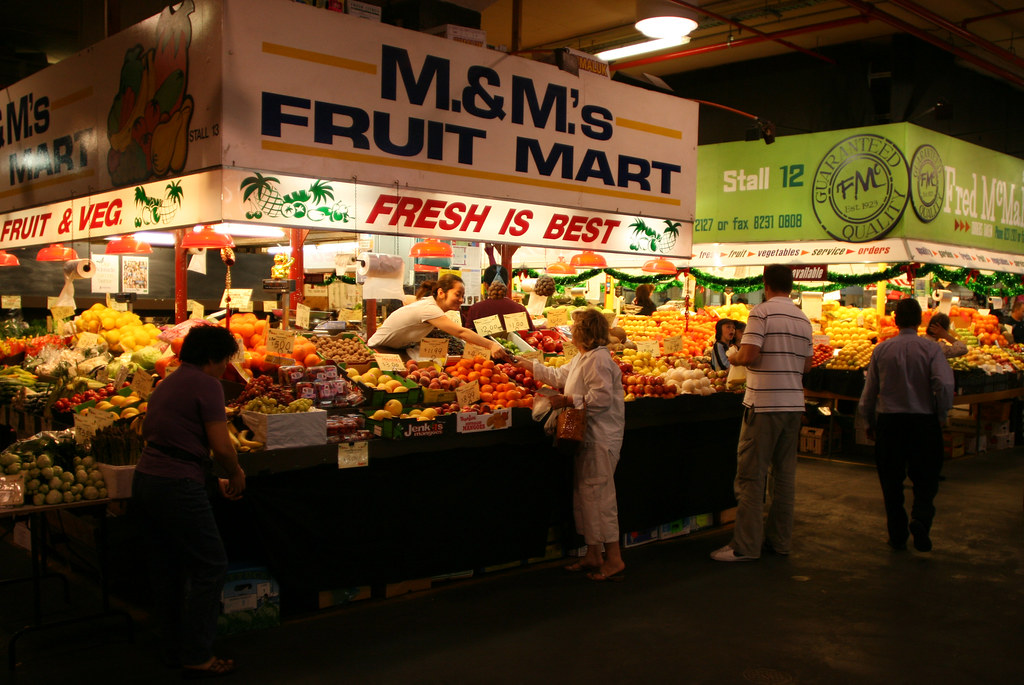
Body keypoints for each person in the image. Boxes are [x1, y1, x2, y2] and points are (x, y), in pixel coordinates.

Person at [131, 324, 246, 678]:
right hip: (178, 484)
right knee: (210, 565)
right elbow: (221, 443)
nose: (225, 368)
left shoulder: (169, 381)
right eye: (225, 360)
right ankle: (197, 652)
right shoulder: (207, 384)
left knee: (167, 567)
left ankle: (171, 645)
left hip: (147, 479)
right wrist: (236, 472)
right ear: (213, 358)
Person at [711, 265, 813, 562]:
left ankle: (746, 546)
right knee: (784, 478)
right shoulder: (803, 318)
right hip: (793, 405)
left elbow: (749, 354)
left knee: (751, 477)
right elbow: (806, 365)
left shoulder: (761, 313)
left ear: (766, 284)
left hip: (764, 405)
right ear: (791, 286)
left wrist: (733, 355)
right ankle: (780, 542)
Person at [516, 309, 626, 582]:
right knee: (586, 496)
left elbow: (600, 399)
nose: (572, 330)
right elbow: (559, 376)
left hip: (601, 438)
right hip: (587, 438)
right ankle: (593, 553)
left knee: (601, 498)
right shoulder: (584, 357)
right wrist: (524, 364)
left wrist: (566, 401)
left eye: (576, 327)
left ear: (583, 332)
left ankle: (614, 558)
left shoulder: (599, 360)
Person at [859, 298, 954, 552]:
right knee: (927, 478)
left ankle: (898, 533)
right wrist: (942, 413)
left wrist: (868, 419)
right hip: (923, 422)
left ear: (895, 320)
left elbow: (869, 393)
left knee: (891, 481)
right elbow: (944, 384)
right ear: (921, 320)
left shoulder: (881, 349)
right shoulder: (931, 349)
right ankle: (921, 517)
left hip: (890, 423)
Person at [367, 273, 509, 359]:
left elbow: (408, 301)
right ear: (441, 293)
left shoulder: (428, 304)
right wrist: (491, 344)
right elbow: (461, 332)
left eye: (463, 296)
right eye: (458, 295)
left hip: (394, 350)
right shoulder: (430, 309)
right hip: (378, 349)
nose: (461, 300)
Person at [464, 281, 537, 332]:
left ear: (486, 286)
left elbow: (468, 333)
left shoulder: (476, 308)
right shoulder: (519, 308)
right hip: (515, 351)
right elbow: (531, 332)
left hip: (483, 352)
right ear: (508, 285)